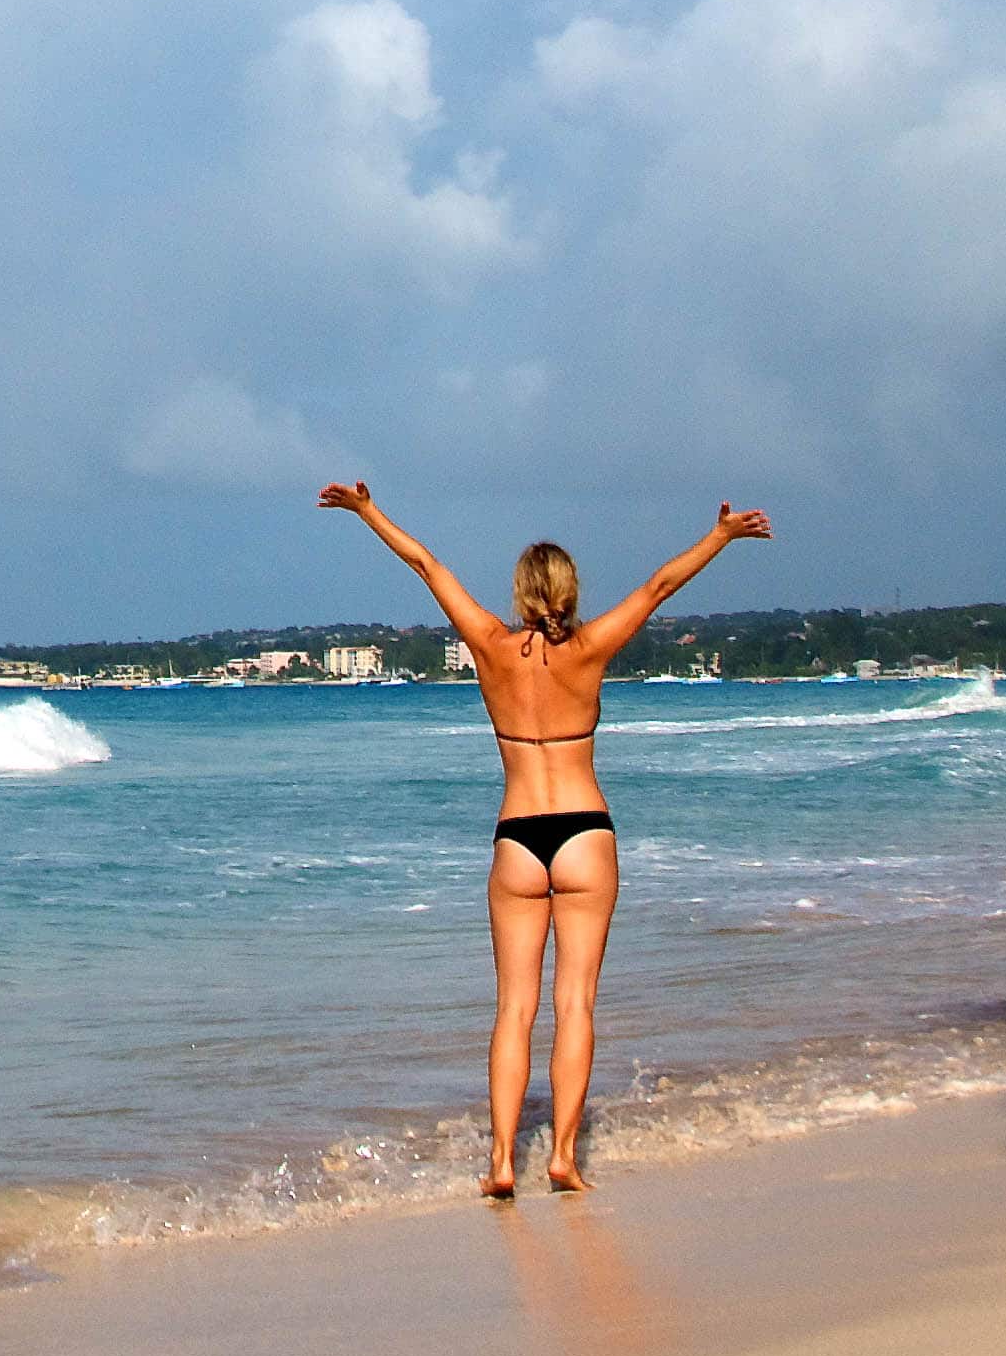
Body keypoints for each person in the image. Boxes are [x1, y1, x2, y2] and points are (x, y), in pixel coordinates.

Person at [315, 484, 772, 1198]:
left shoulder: (492, 646)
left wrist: (367, 512)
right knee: (576, 1004)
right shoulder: (590, 649)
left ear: (522, 593)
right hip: (585, 832)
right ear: (569, 591)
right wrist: (721, 537)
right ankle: (561, 1156)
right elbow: (658, 586)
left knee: (514, 1009)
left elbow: (428, 567)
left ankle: (500, 1163)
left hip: (518, 838)